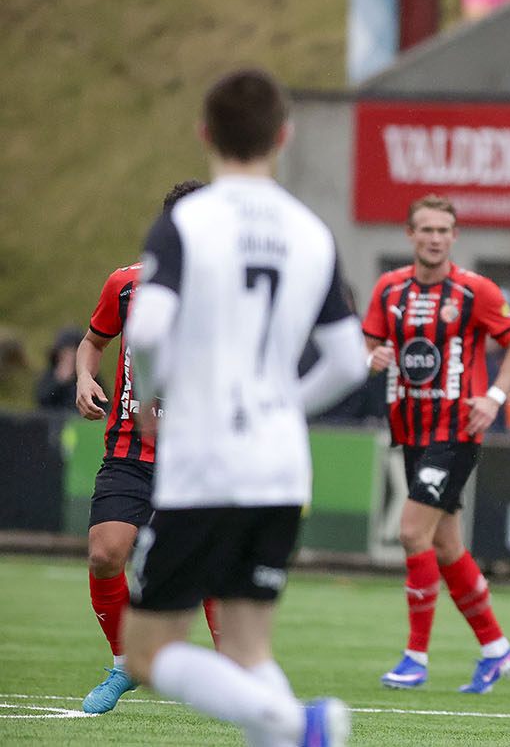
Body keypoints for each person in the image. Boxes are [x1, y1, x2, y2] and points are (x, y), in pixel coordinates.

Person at [121, 68, 367, 745]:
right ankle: (296, 728)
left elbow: (146, 328)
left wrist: (149, 395)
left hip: (206, 461)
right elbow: (349, 361)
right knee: (248, 649)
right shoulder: (311, 232)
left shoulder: (186, 223)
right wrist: (285, 405)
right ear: (283, 137)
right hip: (281, 466)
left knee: (146, 652)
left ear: (205, 133)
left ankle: (295, 719)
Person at [363, 194, 510, 693]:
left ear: (455, 237)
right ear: (410, 235)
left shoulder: (475, 289)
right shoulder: (389, 288)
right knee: (445, 545)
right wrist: (371, 357)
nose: (435, 238)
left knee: (411, 532)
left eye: (443, 231)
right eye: (427, 230)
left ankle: (415, 658)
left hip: (456, 430)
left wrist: (494, 398)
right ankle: (497, 650)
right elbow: (368, 343)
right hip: (411, 429)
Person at [74, 180, 213, 714]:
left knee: (211, 567)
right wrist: (84, 377)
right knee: (105, 553)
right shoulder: (126, 285)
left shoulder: (230, 292)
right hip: (131, 451)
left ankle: (239, 674)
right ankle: (126, 662)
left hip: (200, 456)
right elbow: (93, 341)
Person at [34, 326, 83, 411]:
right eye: (66, 352)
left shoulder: (87, 376)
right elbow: (42, 400)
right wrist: (60, 381)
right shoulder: (50, 375)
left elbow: (103, 404)